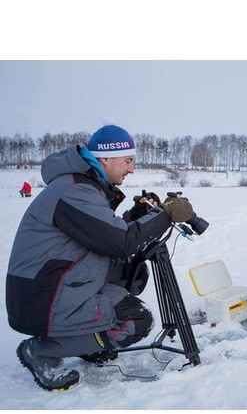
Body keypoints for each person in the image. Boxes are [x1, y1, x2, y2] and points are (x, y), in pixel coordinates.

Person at [6, 123, 196, 391]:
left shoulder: (79, 185)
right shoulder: (75, 190)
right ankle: (42, 350)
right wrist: (165, 214)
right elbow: (121, 242)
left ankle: (85, 342)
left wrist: (136, 216)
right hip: (44, 296)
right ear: (105, 158)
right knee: (135, 320)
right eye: (128, 161)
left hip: (50, 287)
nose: (131, 169)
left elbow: (103, 233)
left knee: (131, 274)